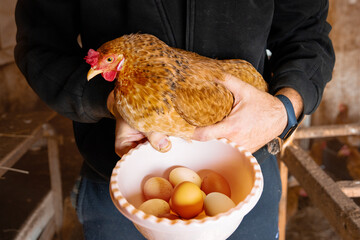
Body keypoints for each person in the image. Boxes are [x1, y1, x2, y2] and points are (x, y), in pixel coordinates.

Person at [14, 0, 335, 239]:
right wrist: (114, 101)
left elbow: (307, 32)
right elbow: (40, 46)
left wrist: (284, 109)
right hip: (122, 185)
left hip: (242, 178)